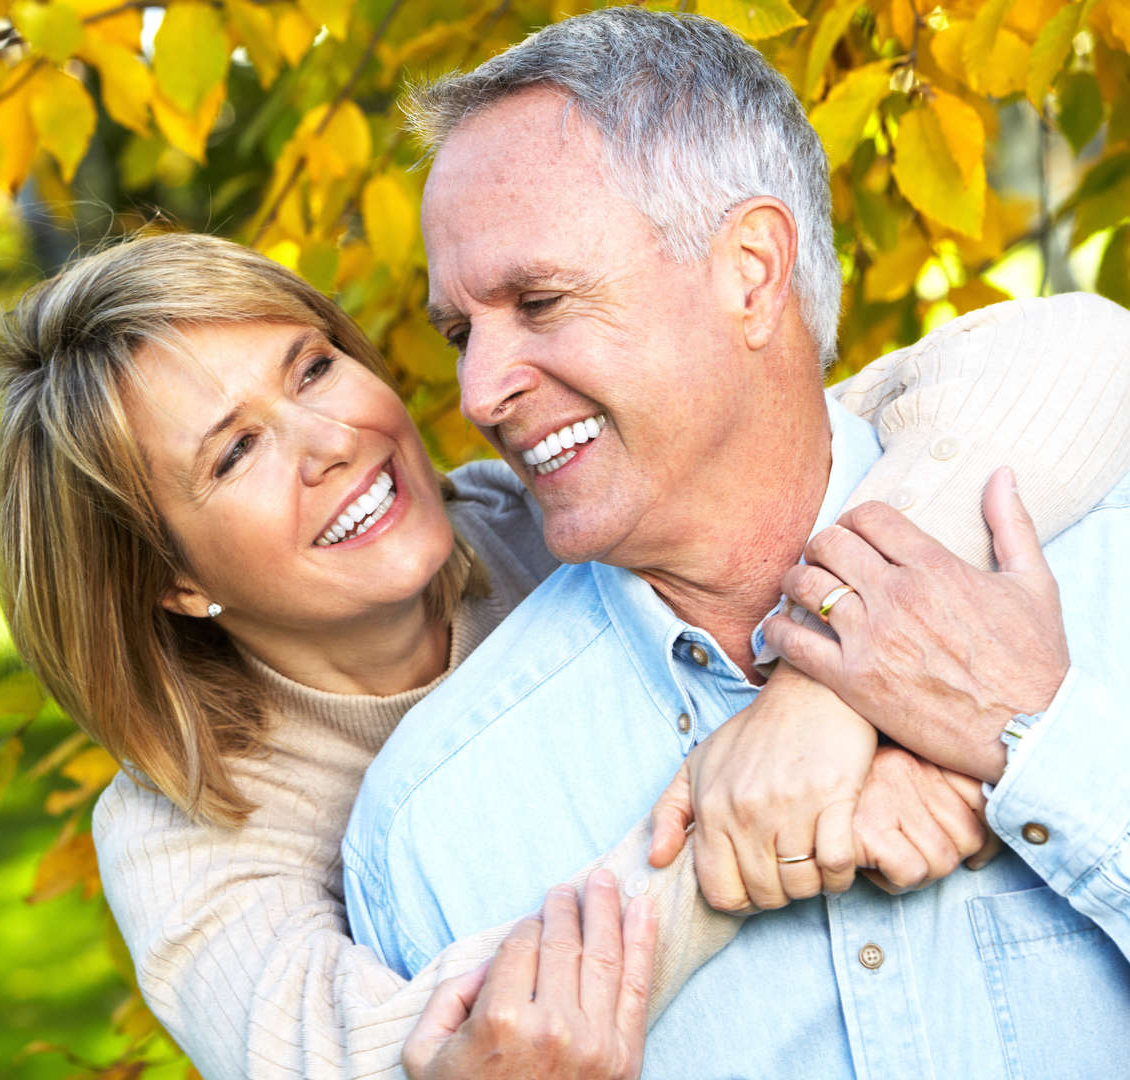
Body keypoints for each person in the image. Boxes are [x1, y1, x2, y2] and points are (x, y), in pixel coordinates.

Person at [341, 9, 1130, 1078]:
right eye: (460, 334)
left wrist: (1038, 750)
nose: (479, 392)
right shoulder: (437, 823)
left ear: (752, 271)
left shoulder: (1105, 558)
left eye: (540, 301)